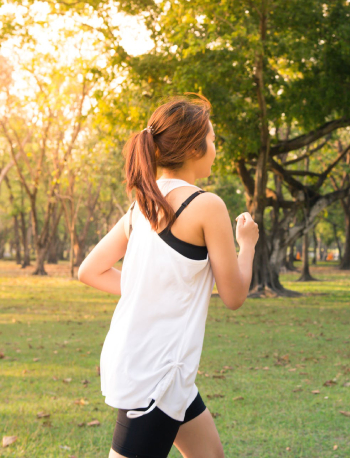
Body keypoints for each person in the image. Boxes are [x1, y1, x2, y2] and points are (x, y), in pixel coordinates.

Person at [77, 94, 258, 458]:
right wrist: (248, 243)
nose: (215, 148)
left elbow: (90, 270)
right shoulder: (206, 205)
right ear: (193, 147)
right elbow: (235, 295)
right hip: (155, 375)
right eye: (212, 139)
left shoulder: (142, 205)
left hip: (164, 369)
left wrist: (151, 291)